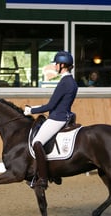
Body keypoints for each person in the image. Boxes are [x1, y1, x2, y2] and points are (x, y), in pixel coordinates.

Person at [23, 51, 78, 189]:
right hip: (64, 115)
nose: (54, 66)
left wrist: (31, 111)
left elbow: (51, 106)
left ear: (62, 65)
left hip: (57, 118)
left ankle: (43, 178)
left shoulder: (65, 82)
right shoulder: (71, 81)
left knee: (37, 142)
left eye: (56, 64)